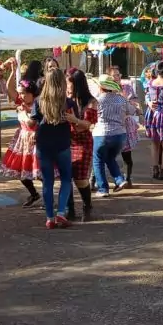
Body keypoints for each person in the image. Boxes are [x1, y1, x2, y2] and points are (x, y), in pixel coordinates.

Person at [32, 69, 78, 229]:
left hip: (43, 144)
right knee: (66, 179)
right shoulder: (68, 103)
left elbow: (33, 123)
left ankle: (49, 217)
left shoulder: (38, 102)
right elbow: (76, 123)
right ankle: (61, 212)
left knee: (47, 182)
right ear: (62, 83)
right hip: (62, 144)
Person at [91, 74, 135, 198]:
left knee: (98, 160)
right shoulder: (121, 99)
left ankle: (103, 188)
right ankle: (120, 180)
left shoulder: (97, 100)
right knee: (110, 158)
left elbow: (90, 114)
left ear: (100, 87)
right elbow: (131, 111)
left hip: (102, 134)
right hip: (120, 134)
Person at [1, 75, 42, 208]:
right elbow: (9, 88)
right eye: (19, 93)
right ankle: (34, 194)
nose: (21, 96)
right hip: (23, 142)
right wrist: (12, 71)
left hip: (36, 141)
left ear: (32, 93)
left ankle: (49, 198)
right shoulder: (21, 103)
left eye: (23, 93)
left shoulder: (39, 104)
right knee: (22, 172)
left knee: (40, 173)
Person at [65, 69, 99, 220]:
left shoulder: (91, 102)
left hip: (83, 142)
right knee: (67, 176)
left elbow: (88, 125)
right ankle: (70, 209)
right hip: (66, 141)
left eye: (69, 84)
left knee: (80, 177)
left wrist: (75, 120)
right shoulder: (65, 99)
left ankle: (87, 204)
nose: (67, 87)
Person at [110, 65, 140, 185]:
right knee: (106, 155)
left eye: (119, 75)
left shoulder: (126, 87)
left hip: (125, 124)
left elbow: (134, 102)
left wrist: (132, 104)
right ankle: (95, 180)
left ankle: (128, 178)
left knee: (127, 154)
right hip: (111, 125)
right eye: (115, 75)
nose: (118, 77)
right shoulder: (105, 89)